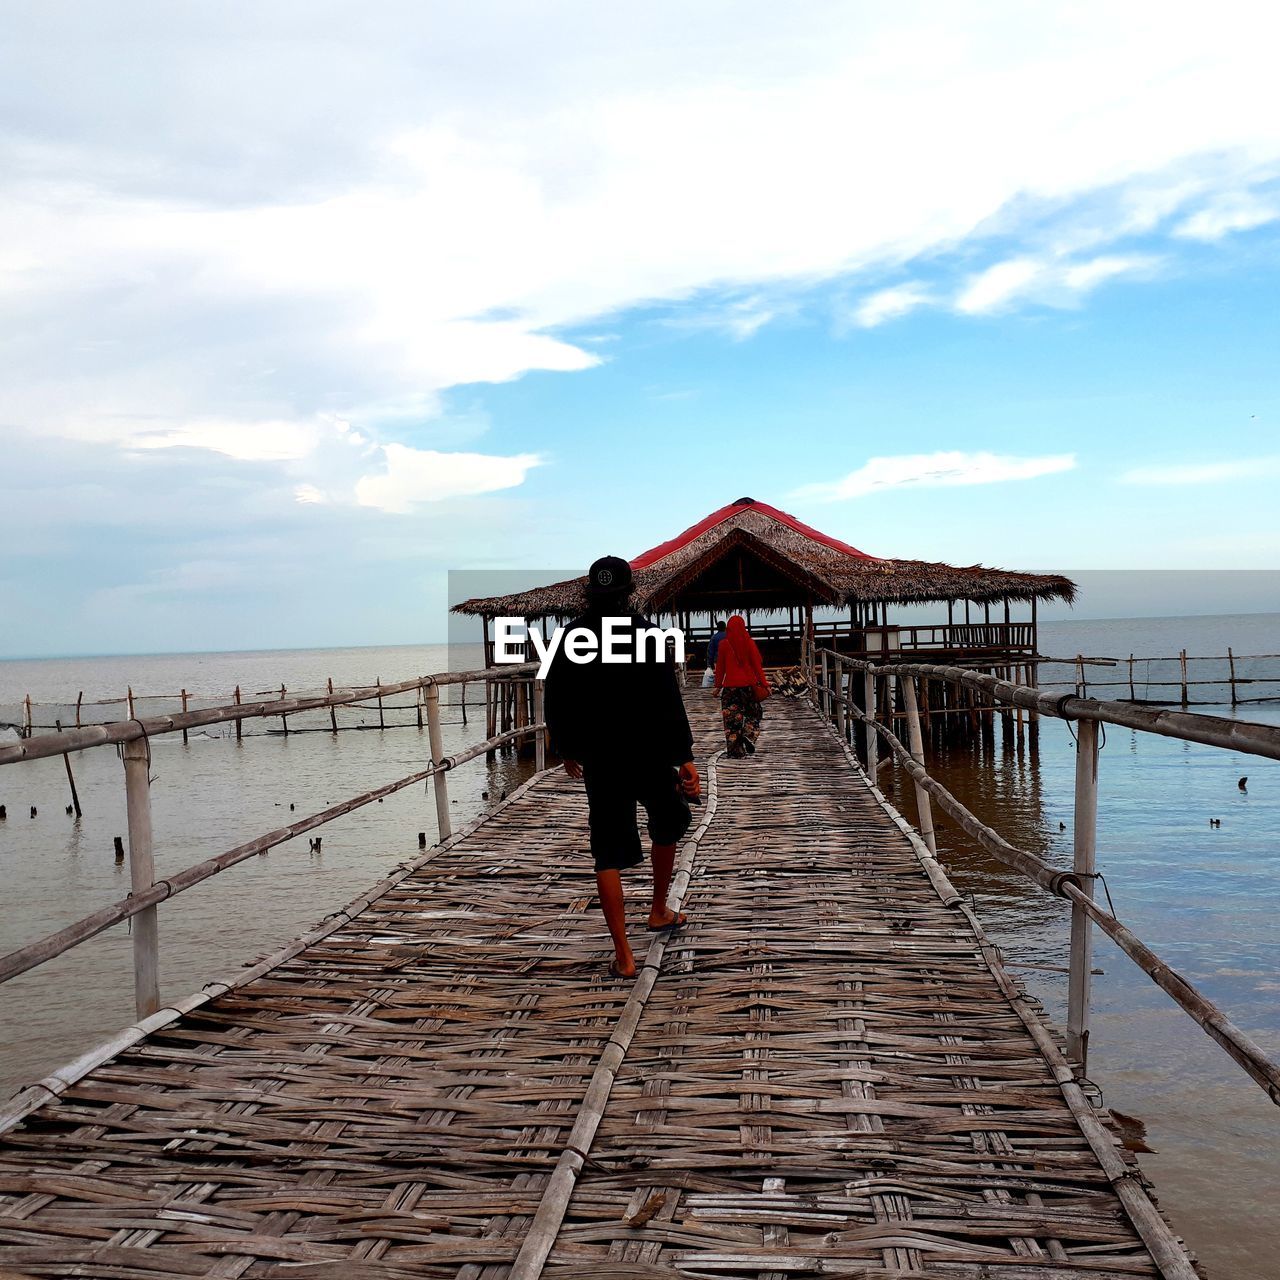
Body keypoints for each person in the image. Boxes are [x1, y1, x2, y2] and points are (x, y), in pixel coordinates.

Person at [544, 555, 702, 979]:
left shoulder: (570, 638)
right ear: (630, 592)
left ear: (590, 593)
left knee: (607, 850)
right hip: (649, 750)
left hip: (601, 756)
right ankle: (657, 910)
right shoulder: (648, 636)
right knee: (667, 825)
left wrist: (565, 748)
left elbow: (556, 698)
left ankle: (624, 956)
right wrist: (683, 755)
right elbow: (668, 700)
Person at [714, 614, 768, 757]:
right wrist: (765, 684)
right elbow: (757, 666)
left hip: (730, 689)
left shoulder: (724, 644)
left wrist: (718, 686)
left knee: (732, 721)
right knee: (754, 713)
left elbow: (720, 668)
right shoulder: (749, 642)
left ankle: (735, 751)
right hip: (748, 687)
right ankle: (748, 734)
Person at [701, 619, 726, 688]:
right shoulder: (729, 636)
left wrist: (709, 663)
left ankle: (719, 686)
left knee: (719, 673)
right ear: (725, 627)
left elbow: (710, 651)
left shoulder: (714, 637)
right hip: (728, 658)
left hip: (717, 658)